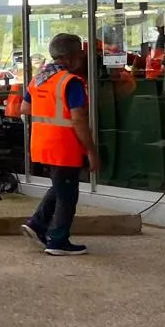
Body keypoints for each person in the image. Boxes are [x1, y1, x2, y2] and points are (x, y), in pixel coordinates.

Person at [21, 33, 96, 257]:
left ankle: (37, 224)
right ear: (72, 57)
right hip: (65, 145)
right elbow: (78, 119)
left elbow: (24, 109)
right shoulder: (70, 82)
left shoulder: (38, 79)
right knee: (67, 195)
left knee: (60, 186)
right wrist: (91, 150)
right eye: (80, 55)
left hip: (42, 144)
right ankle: (58, 240)